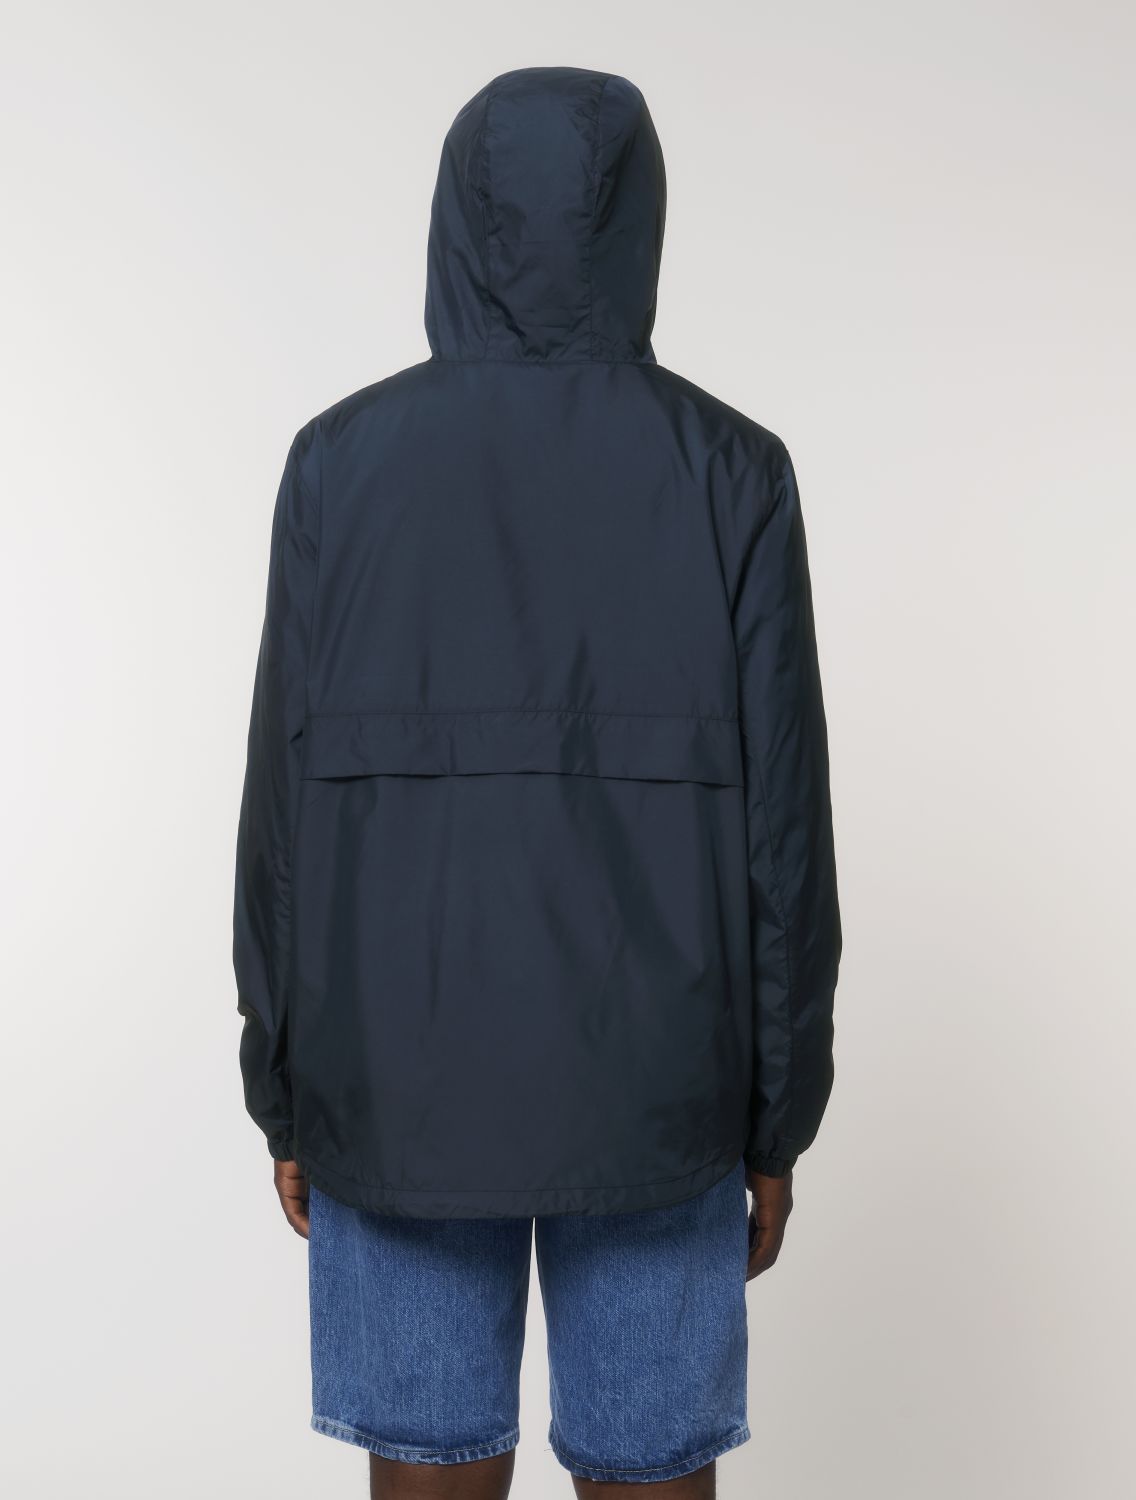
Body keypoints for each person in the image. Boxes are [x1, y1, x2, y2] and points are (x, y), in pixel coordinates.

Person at [233, 66, 840, 1498]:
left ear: (453, 218)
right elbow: (784, 840)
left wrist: (286, 1085)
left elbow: (282, 822)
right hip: (660, 1091)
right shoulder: (734, 472)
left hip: (396, 1081)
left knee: (427, 1466)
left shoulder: (337, 465)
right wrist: (777, 1117)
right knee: (652, 1467)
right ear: (641, 225)